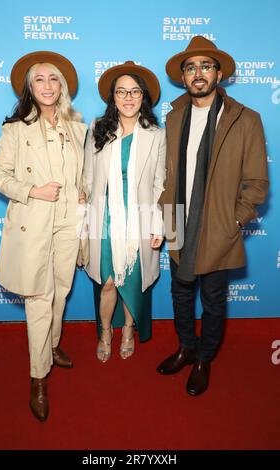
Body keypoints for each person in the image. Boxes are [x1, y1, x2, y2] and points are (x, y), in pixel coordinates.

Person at [157, 37, 269, 395]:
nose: (198, 73)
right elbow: (167, 173)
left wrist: (234, 220)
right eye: (191, 67)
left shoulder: (246, 119)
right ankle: (187, 347)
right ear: (184, 76)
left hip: (218, 223)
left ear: (218, 73)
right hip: (177, 217)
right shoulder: (173, 117)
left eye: (206, 66)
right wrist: (163, 212)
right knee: (180, 292)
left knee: (214, 298)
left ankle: (205, 357)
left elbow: (256, 183)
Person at [0, 51, 87, 421]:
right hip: (34, 219)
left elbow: (85, 176)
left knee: (61, 289)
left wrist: (83, 192)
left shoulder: (77, 128)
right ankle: (38, 376)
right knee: (39, 297)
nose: (47, 86)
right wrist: (33, 190)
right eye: (39, 80)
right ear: (29, 88)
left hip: (68, 221)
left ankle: (50, 345)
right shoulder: (15, 129)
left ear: (62, 86)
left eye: (53, 79)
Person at [82, 61, 166, 362]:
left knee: (132, 279)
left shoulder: (156, 134)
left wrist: (160, 225)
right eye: (121, 92)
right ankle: (105, 331)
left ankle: (129, 329)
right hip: (104, 217)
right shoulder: (97, 129)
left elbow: (161, 184)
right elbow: (88, 180)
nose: (128, 98)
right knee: (106, 280)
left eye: (134, 92)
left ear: (143, 97)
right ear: (113, 98)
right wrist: (85, 225)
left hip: (140, 217)